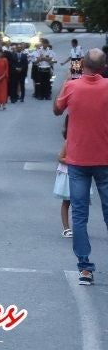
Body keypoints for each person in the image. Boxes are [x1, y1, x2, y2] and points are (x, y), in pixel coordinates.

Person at [53, 48, 108, 286]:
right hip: (105, 159)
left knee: (79, 215)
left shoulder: (73, 86)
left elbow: (57, 110)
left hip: (78, 161)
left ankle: (85, 267)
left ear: (82, 64)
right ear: (103, 67)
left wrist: (67, 80)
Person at [56, 140, 73, 238]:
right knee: (66, 201)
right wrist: (72, 161)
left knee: (80, 203)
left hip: (82, 175)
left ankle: (80, 228)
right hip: (68, 174)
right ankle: (66, 228)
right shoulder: (69, 141)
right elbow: (60, 157)